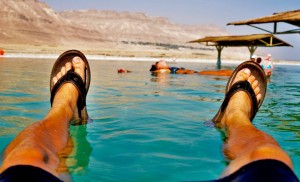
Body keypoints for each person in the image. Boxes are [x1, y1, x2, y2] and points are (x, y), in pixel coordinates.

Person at [0, 51, 298, 181]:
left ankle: (65, 108)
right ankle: (234, 116)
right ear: (157, 68)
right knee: (266, 160)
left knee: (28, 159)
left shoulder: (177, 71)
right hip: (195, 77)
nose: (164, 62)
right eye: (160, 62)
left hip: (196, 76)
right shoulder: (166, 74)